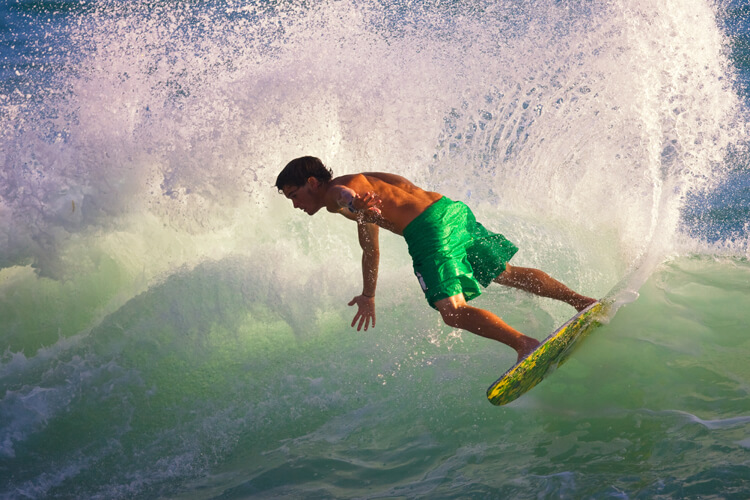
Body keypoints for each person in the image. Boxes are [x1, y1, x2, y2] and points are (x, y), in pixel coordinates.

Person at [275, 156, 597, 362]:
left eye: (295, 195)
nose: (295, 205)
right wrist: (369, 295)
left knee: (452, 312)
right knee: (506, 273)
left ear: (313, 183)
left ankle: (525, 344)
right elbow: (370, 247)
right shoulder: (367, 178)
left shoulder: (335, 194)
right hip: (449, 211)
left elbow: (344, 198)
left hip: (426, 229)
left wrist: (357, 204)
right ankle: (582, 302)